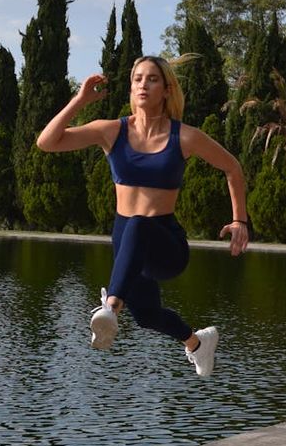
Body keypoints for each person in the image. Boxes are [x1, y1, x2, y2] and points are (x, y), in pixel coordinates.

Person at [37, 55, 249, 377]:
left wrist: (239, 220)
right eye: (137, 79)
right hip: (126, 243)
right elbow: (47, 142)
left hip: (165, 244)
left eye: (151, 79)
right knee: (148, 317)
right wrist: (80, 99)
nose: (143, 85)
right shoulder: (111, 131)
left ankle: (110, 305)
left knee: (138, 222)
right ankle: (197, 343)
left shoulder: (185, 137)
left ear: (166, 89)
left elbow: (232, 167)